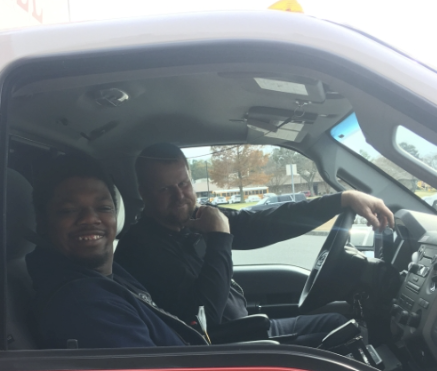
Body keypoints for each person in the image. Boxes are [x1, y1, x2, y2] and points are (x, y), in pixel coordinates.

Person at [115, 143, 395, 346]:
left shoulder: (193, 221)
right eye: (165, 189)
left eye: (184, 184)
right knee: (343, 328)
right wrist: (219, 238)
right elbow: (203, 319)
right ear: (144, 193)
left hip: (243, 328)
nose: (180, 196)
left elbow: (265, 222)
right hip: (226, 344)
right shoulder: (141, 248)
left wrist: (342, 200)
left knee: (339, 322)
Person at [26, 153, 207, 349]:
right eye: (68, 210)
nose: (90, 218)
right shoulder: (87, 305)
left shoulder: (110, 277)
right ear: (42, 221)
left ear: (116, 213)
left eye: (103, 207)